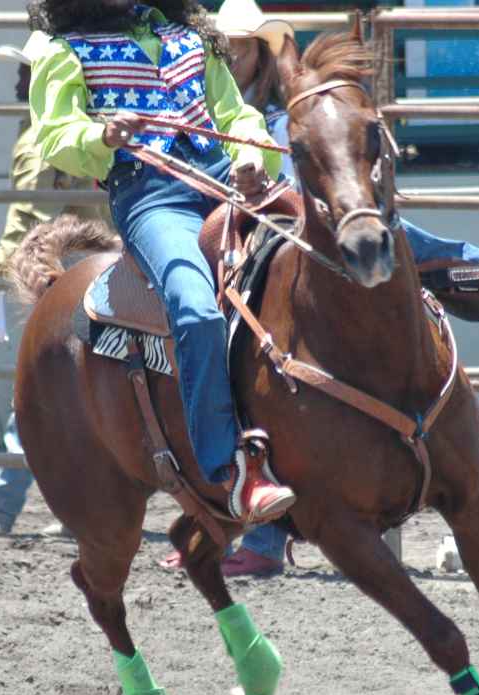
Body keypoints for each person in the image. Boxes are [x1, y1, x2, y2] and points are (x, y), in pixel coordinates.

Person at [185, 0, 479, 577]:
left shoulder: (278, 111)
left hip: (272, 201)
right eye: (231, 48)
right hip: (242, 211)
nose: (235, 57)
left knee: (349, 214)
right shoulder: (229, 102)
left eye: (245, 47)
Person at [27, 0, 298, 526]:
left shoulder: (192, 40)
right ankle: (232, 468)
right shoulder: (62, 52)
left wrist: (252, 153)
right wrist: (101, 136)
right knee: (195, 311)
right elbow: (55, 135)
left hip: (225, 176)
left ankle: (476, 276)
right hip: (152, 195)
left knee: (338, 233)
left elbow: (235, 116)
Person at [0, 31, 103, 538]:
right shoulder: (52, 127)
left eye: (26, 70)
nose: (18, 79)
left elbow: (36, 220)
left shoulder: (47, 134)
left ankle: (3, 502)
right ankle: (75, 508)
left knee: (35, 389)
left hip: (47, 283)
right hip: (65, 277)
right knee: (62, 392)